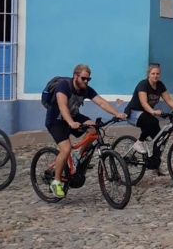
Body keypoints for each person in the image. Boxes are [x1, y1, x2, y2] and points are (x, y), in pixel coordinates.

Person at [45, 64, 127, 198]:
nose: (86, 82)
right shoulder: (64, 86)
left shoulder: (85, 89)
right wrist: (71, 122)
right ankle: (56, 181)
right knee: (65, 149)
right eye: (83, 78)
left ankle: (78, 158)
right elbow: (62, 106)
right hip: (56, 119)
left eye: (88, 79)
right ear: (76, 76)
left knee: (93, 128)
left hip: (73, 117)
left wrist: (117, 113)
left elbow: (101, 102)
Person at [124, 64, 173, 168]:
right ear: (148, 74)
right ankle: (139, 142)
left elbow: (168, 100)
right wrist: (153, 111)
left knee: (159, 140)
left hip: (146, 114)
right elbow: (144, 103)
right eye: (153, 73)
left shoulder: (160, 85)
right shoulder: (143, 84)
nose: (155, 76)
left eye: (157, 73)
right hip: (134, 112)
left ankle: (154, 165)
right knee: (152, 121)